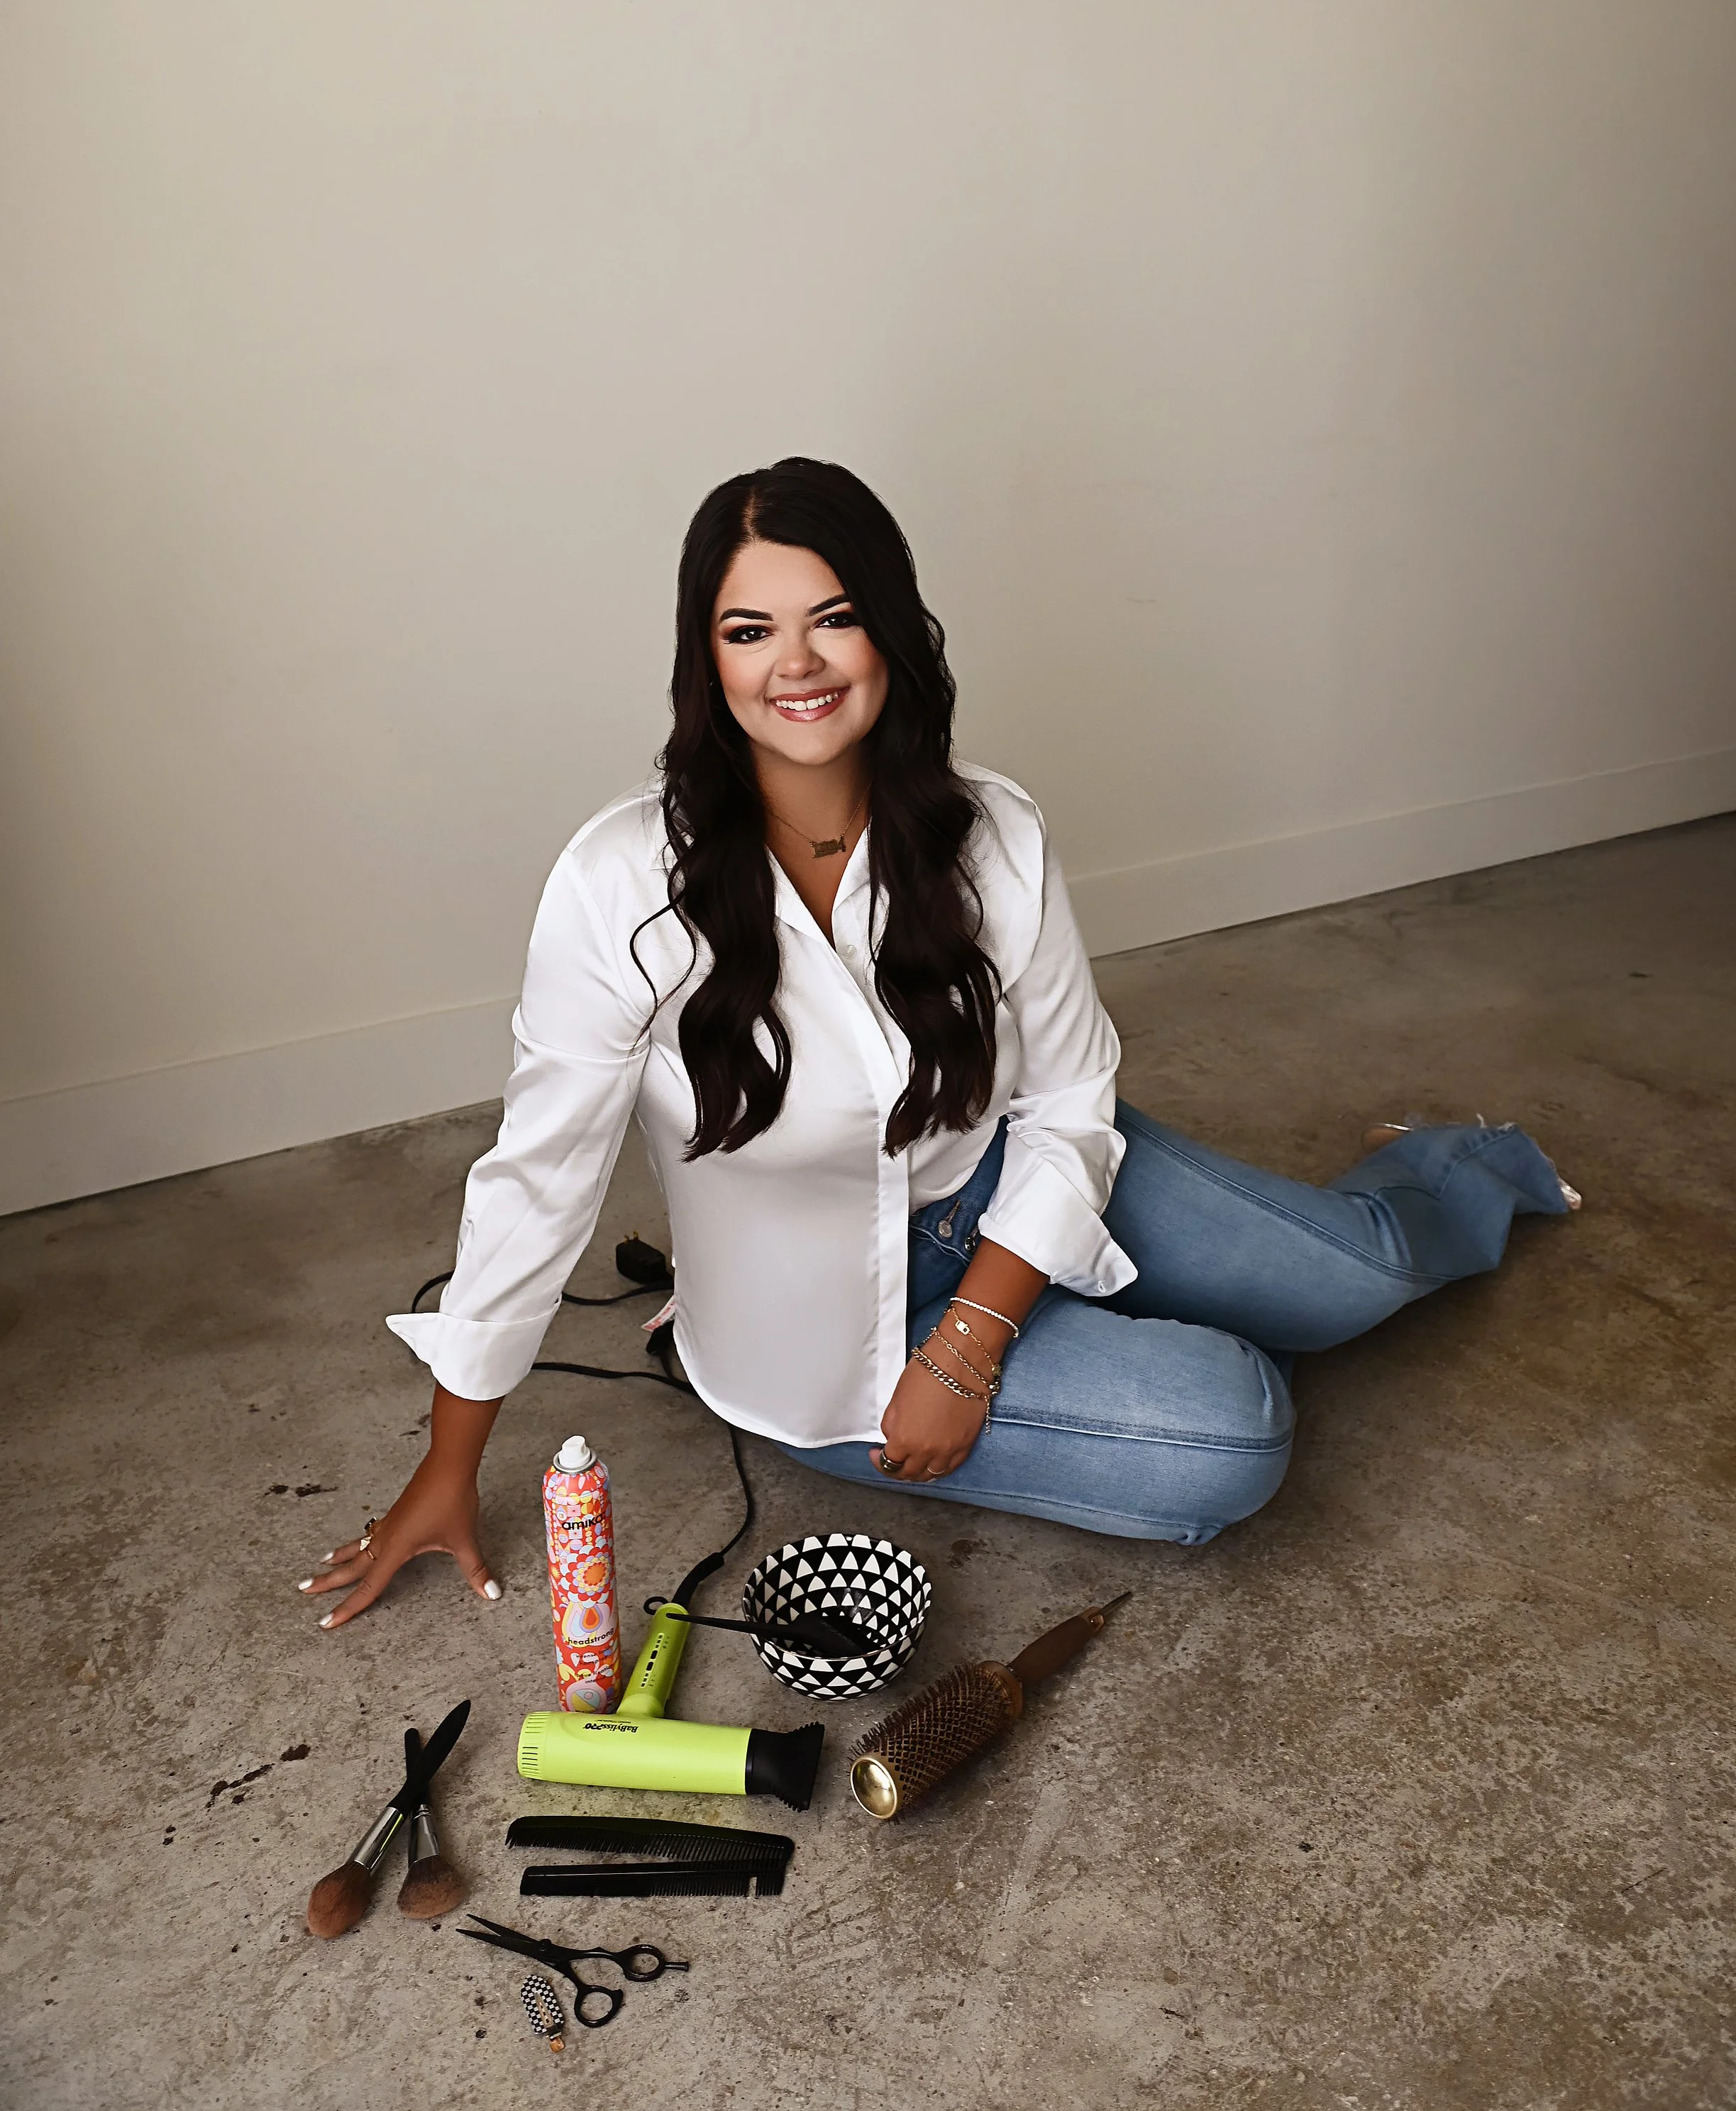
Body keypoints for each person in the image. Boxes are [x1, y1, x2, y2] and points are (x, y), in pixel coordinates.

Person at [299, 457, 1575, 1628]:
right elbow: (538, 1184)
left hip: (1010, 1181)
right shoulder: (617, 884)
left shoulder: (993, 831)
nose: (795, 665)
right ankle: (1112, 1327)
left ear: (890, 631)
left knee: (1353, 1281)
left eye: (833, 618)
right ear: (708, 660)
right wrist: (447, 1464)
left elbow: (1075, 1099)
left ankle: (1459, 1163)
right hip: (817, 1342)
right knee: (1239, 1428)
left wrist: (972, 1346)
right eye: (751, 631)